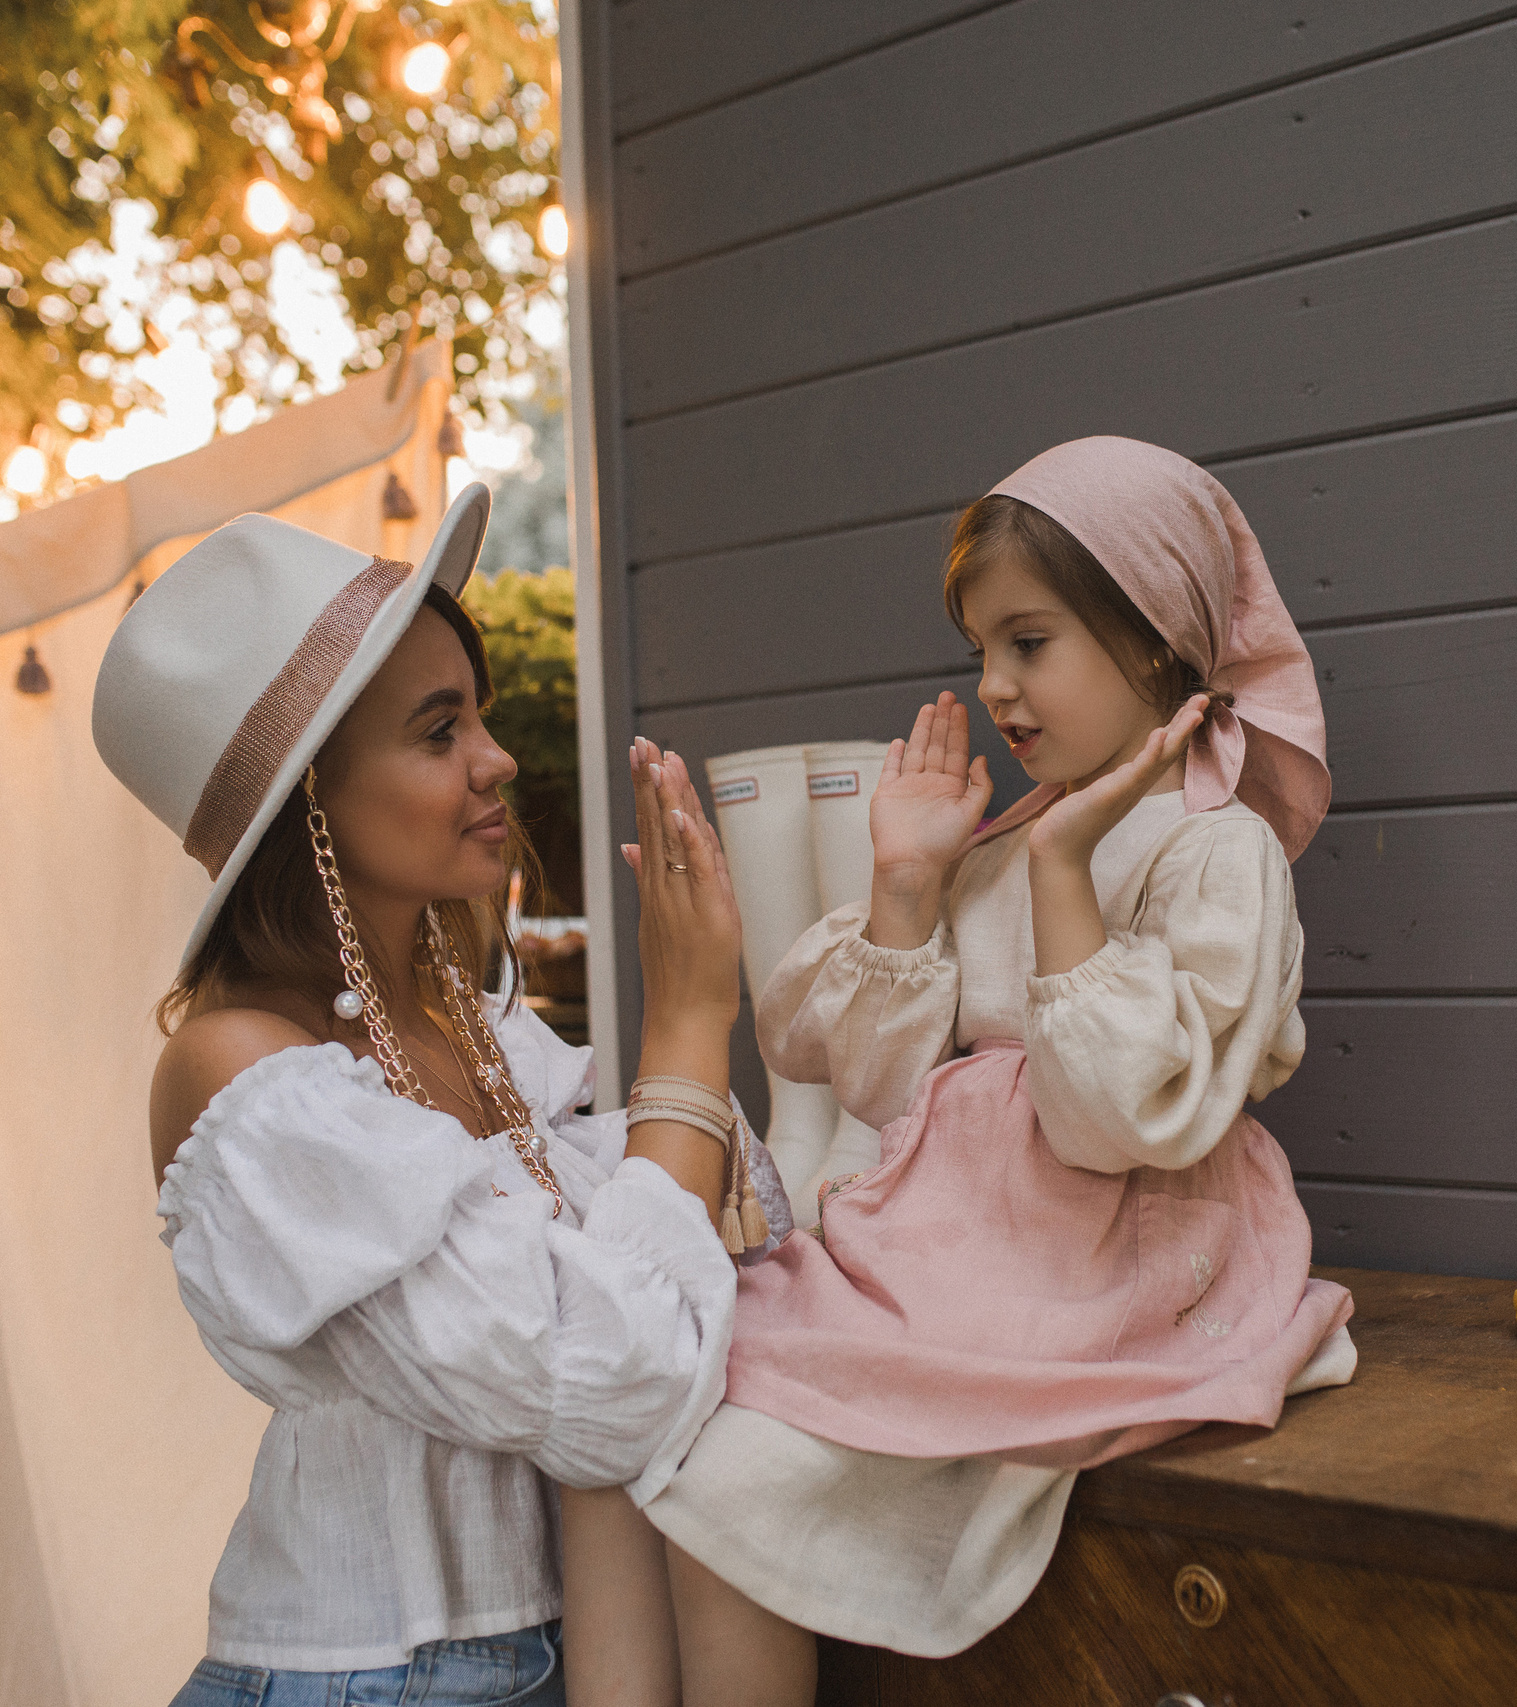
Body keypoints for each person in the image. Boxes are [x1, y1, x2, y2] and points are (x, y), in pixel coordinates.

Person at [585, 437, 1361, 1703]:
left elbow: (1113, 1122)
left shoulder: (1218, 858)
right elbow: (877, 1085)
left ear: (1156, 640)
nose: (995, 686)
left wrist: (1065, 875)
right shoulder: (994, 851)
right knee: (682, 1411)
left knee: (739, 1469)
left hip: (1115, 1252)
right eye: (979, 650)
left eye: (1029, 641)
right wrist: (906, 883)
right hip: (956, 1243)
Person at [90, 486, 782, 1707]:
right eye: (436, 730)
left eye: (482, 716)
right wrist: (686, 1026)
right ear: (311, 797)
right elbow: (621, 1376)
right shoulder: (246, 1079)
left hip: (574, 1653)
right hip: (370, 1681)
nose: (497, 759)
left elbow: (730, 1241)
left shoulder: (478, 1020)